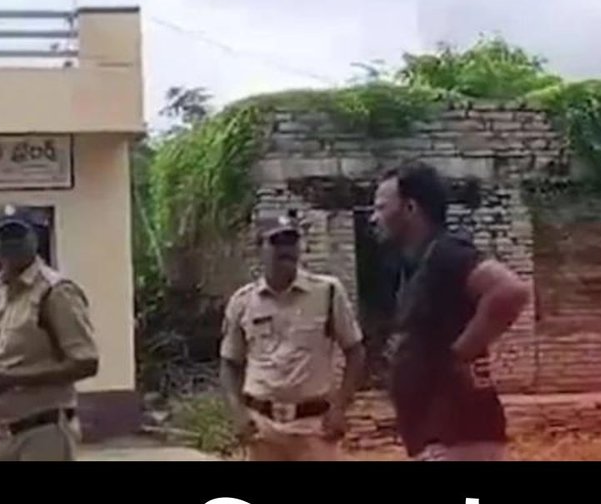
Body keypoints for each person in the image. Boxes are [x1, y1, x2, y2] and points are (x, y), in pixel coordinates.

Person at [370, 161, 531, 461]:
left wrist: (460, 353)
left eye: (381, 207)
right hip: (440, 439)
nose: (374, 217)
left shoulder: (446, 254)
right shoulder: (418, 265)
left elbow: (510, 292)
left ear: (410, 208)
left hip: (459, 439)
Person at [0, 206, 99, 461]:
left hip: (42, 432)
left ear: (35, 239)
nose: (11, 244)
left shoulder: (56, 292)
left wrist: (12, 380)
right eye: (4, 237)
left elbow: (86, 362)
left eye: (18, 236)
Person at [220, 214, 366, 461]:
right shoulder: (243, 302)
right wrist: (238, 413)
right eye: (276, 242)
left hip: (314, 428)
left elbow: (355, 351)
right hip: (262, 429)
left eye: (291, 241)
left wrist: (340, 408)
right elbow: (229, 363)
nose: (285, 250)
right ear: (259, 248)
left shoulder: (327, 292)